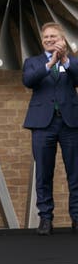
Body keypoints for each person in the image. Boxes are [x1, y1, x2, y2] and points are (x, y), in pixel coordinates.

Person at [23, 22, 78, 235]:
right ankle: (45, 219)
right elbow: (28, 80)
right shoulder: (33, 62)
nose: (49, 40)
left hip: (70, 123)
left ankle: (76, 217)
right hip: (42, 124)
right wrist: (50, 63)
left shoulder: (71, 62)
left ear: (62, 39)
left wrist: (64, 59)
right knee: (43, 174)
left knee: (75, 173)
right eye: (46, 37)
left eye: (53, 36)